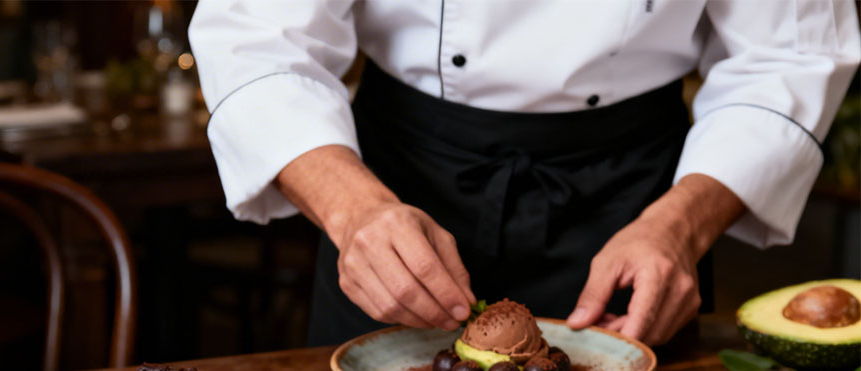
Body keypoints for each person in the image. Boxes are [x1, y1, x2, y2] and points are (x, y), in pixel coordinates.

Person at [188, 1, 860, 346]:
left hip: (638, 207)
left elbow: (792, 54)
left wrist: (681, 225)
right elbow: (255, 34)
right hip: (395, 190)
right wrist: (353, 210)